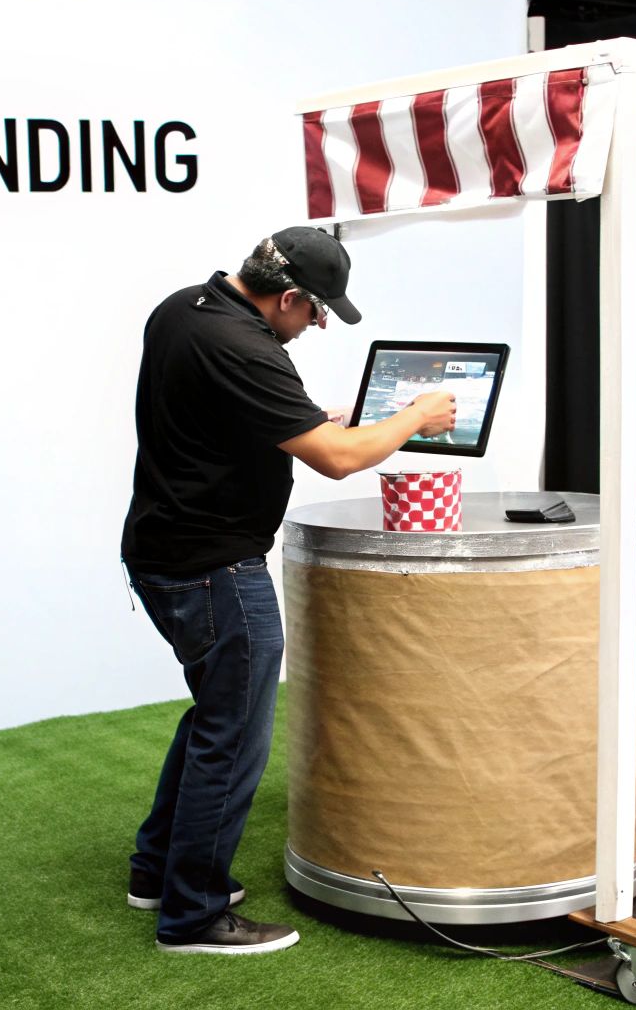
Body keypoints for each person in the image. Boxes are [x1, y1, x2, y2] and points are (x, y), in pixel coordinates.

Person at [119, 227, 457, 954]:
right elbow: (337, 462)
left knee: (214, 715)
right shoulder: (247, 349)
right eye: (317, 311)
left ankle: (156, 872)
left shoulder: (184, 309)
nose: (319, 324)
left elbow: (214, 417)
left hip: (160, 551)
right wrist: (415, 417)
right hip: (217, 568)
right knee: (233, 736)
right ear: (289, 296)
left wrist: (307, 420)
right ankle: (193, 914)